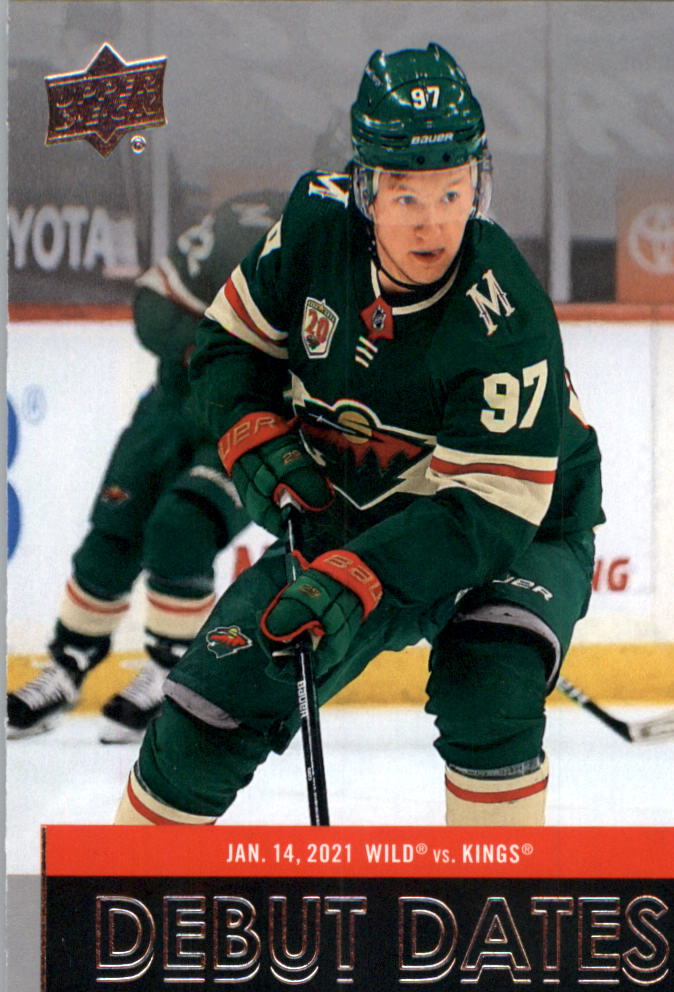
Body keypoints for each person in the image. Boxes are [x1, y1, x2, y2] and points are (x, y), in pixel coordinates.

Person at [114, 42, 603, 825]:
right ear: (365, 189)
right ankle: (125, 898)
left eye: (453, 192)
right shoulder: (313, 229)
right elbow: (229, 346)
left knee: (490, 687)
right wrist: (254, 438)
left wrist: (359, 577)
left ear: (479, 183)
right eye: (407, 196)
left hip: (521, 523)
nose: (434, 223)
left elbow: (485, 516)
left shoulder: (504, 315)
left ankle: (495, 900)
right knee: (209, 713)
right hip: (352, 510)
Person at [7, 191, 285, 743]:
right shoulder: (243, 220)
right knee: (113, 531)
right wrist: (212, 346)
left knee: (182, 528)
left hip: (251, 422)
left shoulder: (346, 252)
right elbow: (153, 305)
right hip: (169, 410)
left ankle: (171, 672)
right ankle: (67, 665)